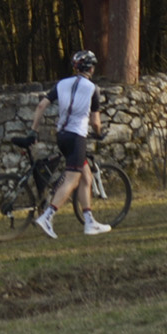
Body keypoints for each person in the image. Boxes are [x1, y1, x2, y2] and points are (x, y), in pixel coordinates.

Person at [27, 49, 111, 238]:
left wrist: (34, 129)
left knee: (86, 177)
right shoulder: (92, 89)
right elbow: (95, 122)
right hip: (77, 137)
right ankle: (47, 216)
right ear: (90, 68)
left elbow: (41, 105)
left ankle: (89, 222)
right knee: (72, 179)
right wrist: (99, 133)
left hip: (61, 136)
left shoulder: (62, 84)